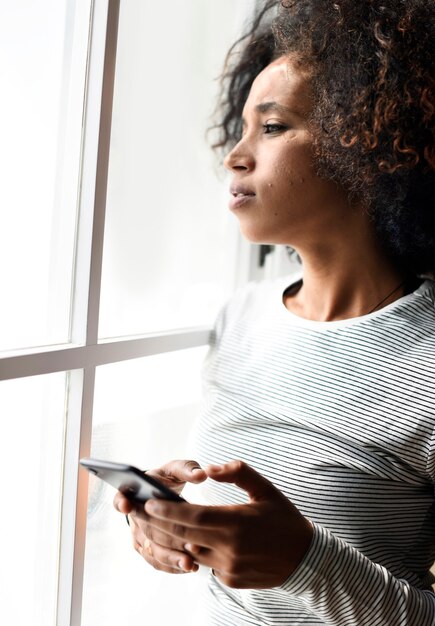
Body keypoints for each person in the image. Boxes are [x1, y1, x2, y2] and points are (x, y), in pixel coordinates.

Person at [114, 1, 435, 624]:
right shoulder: (242, 317)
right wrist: (171, 525)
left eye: (274, 127)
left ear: (367, 147)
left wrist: (306, 563)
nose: (235, 156)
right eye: (240, 128)